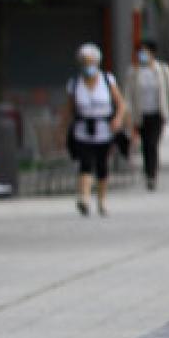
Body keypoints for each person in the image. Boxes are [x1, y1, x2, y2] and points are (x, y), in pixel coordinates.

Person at [62, 43, 127, 217]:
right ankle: (84, 198)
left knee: (102, 165)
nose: (88, 66)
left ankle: (101, 200)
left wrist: (118, 119)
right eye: (85, 62)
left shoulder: (108, 79)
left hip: (104, 129)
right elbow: (68, 109)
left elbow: (120, 103)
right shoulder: (74, 83)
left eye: (91, 62)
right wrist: (62, 129)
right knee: (85, 163)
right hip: (82, 129)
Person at [123, 40, 169, 190]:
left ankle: (152, 172)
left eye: (145, 51)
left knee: (153, 143)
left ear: (152, 52)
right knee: (145, 144)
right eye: (140, 51)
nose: (142, 54)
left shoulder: (162, 70)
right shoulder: (133, 72)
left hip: (158, 113)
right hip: (141, 114)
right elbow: (128, 95)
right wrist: (127, 114)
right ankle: (149, 173)